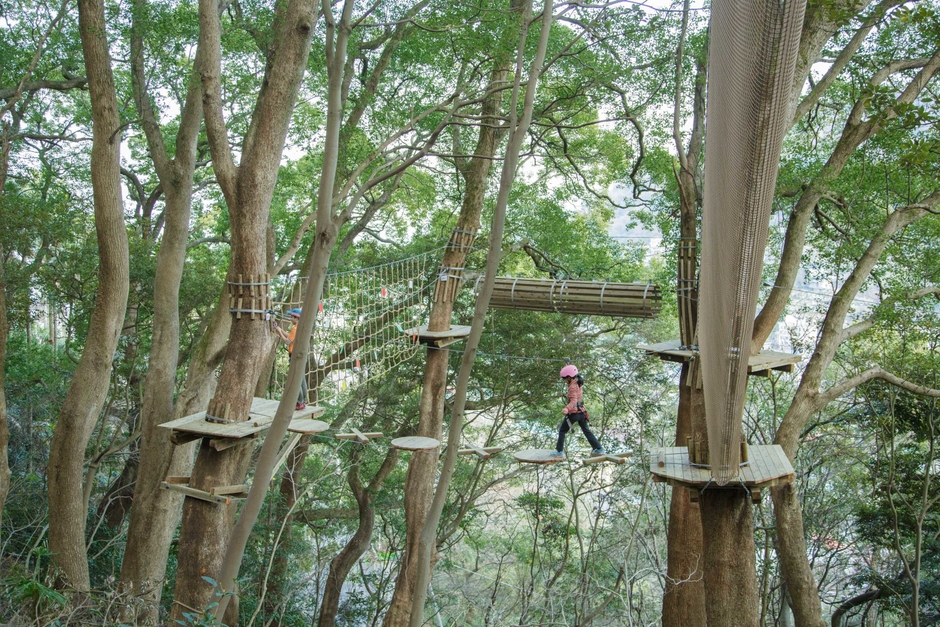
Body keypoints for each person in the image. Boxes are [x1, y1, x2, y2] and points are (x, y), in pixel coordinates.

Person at [550, 364, 604, 458]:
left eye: (564, 378)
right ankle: (599, 449)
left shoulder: (571, 387)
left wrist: (566, 408)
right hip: (582, 412)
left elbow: (574, 400)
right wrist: (567, 367)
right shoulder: (578, 383)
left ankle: (559, 452)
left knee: (562, 431)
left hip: (574, 413)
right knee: (586, 430)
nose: (564, 380)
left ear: (569, 377)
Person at [274, 308, 308, 410]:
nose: (290, 319)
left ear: (295, 317)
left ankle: (299, 402)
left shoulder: (295, 328)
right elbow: (290, 337)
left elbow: (288, 341)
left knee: (295, 379)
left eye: (291, 317)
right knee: (301, 379)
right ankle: (303, 401)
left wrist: (279, 331)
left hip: (295, 355)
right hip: (301, 355)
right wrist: (279, 328)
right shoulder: (300, 327)